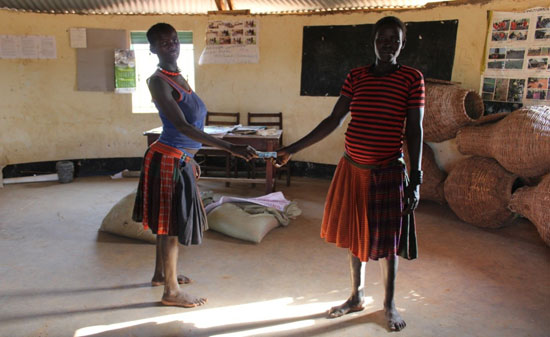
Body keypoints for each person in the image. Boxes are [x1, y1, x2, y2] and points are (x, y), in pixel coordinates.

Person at [274, 16, 424, 331]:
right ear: (373, 40)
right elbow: (334, 120)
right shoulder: (356, 77)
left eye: (395, 40)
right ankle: (355, 296)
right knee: (357, 237)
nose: (388, 45)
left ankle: (389, 304)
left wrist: (416, 179)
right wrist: (294, 148)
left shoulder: (412, 79)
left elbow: (415, 130)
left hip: (388, 172)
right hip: (353, 169)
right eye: (383, 39)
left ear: (402, 44)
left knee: (387, 242)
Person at [132, 23, 257, 308]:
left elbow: (194, 124)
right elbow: (181, 125)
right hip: (168, 160)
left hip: (180, 159)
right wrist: (230, 148)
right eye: (164, 43)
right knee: (170, 224)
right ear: (152, 49)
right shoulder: (158, 81)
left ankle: (161, 274)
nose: (172, 46)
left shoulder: (179, 78)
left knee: (166, 221)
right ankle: (171, 292)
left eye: (174, 41)